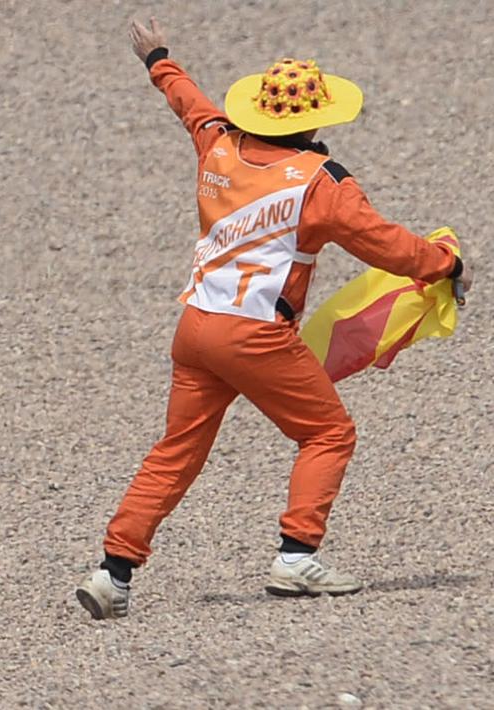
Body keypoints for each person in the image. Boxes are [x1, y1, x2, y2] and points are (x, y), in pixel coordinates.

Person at [76, 17, 475, 620]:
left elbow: (191, 105)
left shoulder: (217, 143)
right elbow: (386, 245)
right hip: (257, 331)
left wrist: (159, 59)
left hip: (197, 324)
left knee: (177, 450)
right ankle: (296, 555)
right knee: (328, 433)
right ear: (316, 119)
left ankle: (113, 572)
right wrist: (447, 264)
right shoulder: (323, 184)